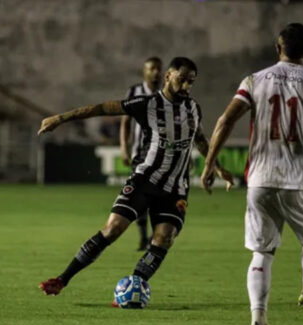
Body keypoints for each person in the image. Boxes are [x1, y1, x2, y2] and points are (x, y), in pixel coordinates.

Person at [37, 57, 234, 300]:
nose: (186, 87)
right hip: (144, 180)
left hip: (175, 189)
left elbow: (200, 139)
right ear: (168, 77)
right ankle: (62, 279)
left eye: (190, 82)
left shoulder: (193, 108)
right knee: (113, 229)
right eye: (182, 80)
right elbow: (101, 108)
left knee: (163, 238)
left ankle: (133, 289)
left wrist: (217, 166)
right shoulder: (147, 104)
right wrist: (60, 119)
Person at [201, 23, 303, 325]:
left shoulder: (254, 81)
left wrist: (210, 164)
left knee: (262, 252)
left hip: (260, 178)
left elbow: (225, 120)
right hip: (299, 178)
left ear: (278, 48)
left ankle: (258, 319)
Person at [120, 56, 163, 251]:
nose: (156, 72)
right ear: (144, 71)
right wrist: (124, 147)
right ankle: (144, 237)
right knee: (141, 196)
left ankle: (155, 237)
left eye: (158, 69)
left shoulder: (166, 93)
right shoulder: (134, 92)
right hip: (140, 155)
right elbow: (125, 121)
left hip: (163, 156)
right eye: (152, 68)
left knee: (160, 198)